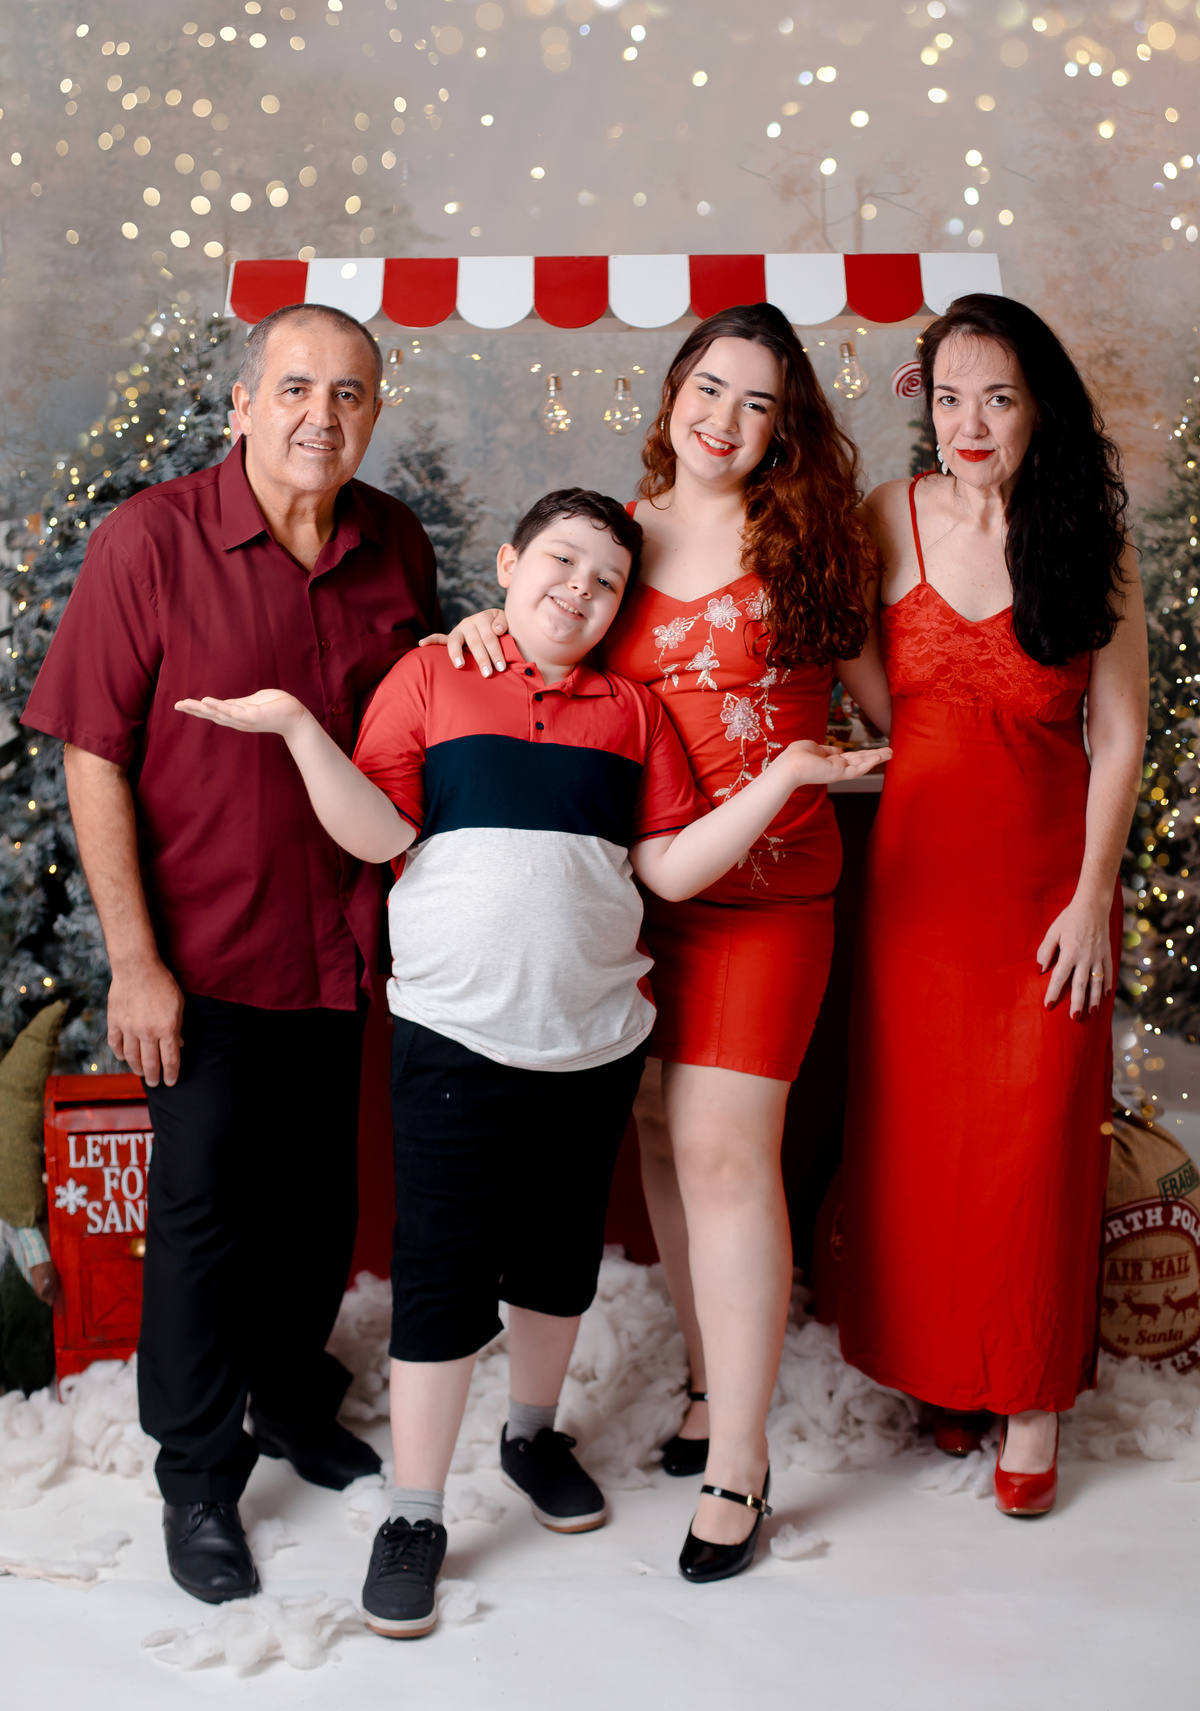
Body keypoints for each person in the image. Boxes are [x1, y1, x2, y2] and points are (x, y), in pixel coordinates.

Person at [176, 486, 889, 1634]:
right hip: (452, 1035)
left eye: (607, 581)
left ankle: (532, 1434)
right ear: (509, 563)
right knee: (441, 1273)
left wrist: (787, 778)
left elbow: (668, 871)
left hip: (593, 1043)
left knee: (557, 1262)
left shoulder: (633, 711)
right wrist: (302, 731)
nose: (579, 591)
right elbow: (380, 830)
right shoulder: (431, 676)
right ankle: (416, 1511)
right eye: (560, 562)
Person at [429, 304, 888, 1580]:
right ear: (674, 390)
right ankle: (704, 1377)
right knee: (662, 1148)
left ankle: (742, 1457)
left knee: (727, 1154)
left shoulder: (810, 542)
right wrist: (473, 633)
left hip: (766, 897)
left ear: (784, 427)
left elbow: (892, 715)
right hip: (624, 897)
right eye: (710, 387)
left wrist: (844, 774)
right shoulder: (617, 542)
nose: (726, 420)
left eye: (759, 402)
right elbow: (544, 642)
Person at [22, 302, 441, 1603]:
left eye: (351, 393)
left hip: (341, 945)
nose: (323, 415)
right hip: (198, 955)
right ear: (244, 405)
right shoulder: (149, 542)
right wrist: (134, 960)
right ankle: (199, 1477)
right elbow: (93, 752)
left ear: (376, 413)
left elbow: (414, 727)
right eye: (297, 387)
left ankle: (290, 1396)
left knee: (318, 1205)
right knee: (204, 1219)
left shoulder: (396, 545)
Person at [836, 293, 1148, 1516]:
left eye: (999, 398)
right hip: (918, 881)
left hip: (1046, 890)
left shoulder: (1092, 539)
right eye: (950, 397)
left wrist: (1091, 897)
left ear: (1040, 408)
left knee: (1031, 1145)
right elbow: (871, 680)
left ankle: (1027, 1393)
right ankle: (943, 1365)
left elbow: (1119, 736)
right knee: (923, 1141)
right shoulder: (890, 513)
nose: (970, 423)